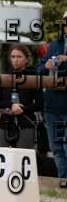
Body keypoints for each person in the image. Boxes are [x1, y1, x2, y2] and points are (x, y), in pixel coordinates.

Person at [0, 44, 42, 150]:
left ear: (27, 59)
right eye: (13, 57)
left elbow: (39, 104)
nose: (15, 60)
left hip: (26, 123)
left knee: (23, 155)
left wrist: (22, 108)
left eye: (19, 57)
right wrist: (11, 105)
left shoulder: (34, 78)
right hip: (5, 123)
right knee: (1, 153)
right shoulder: (4, 77)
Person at [39, 11, 67, 178]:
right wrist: (46, 66)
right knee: (56, 148)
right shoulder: (54, 45)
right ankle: (62, 183)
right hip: (52, 105)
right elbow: (39, 69)